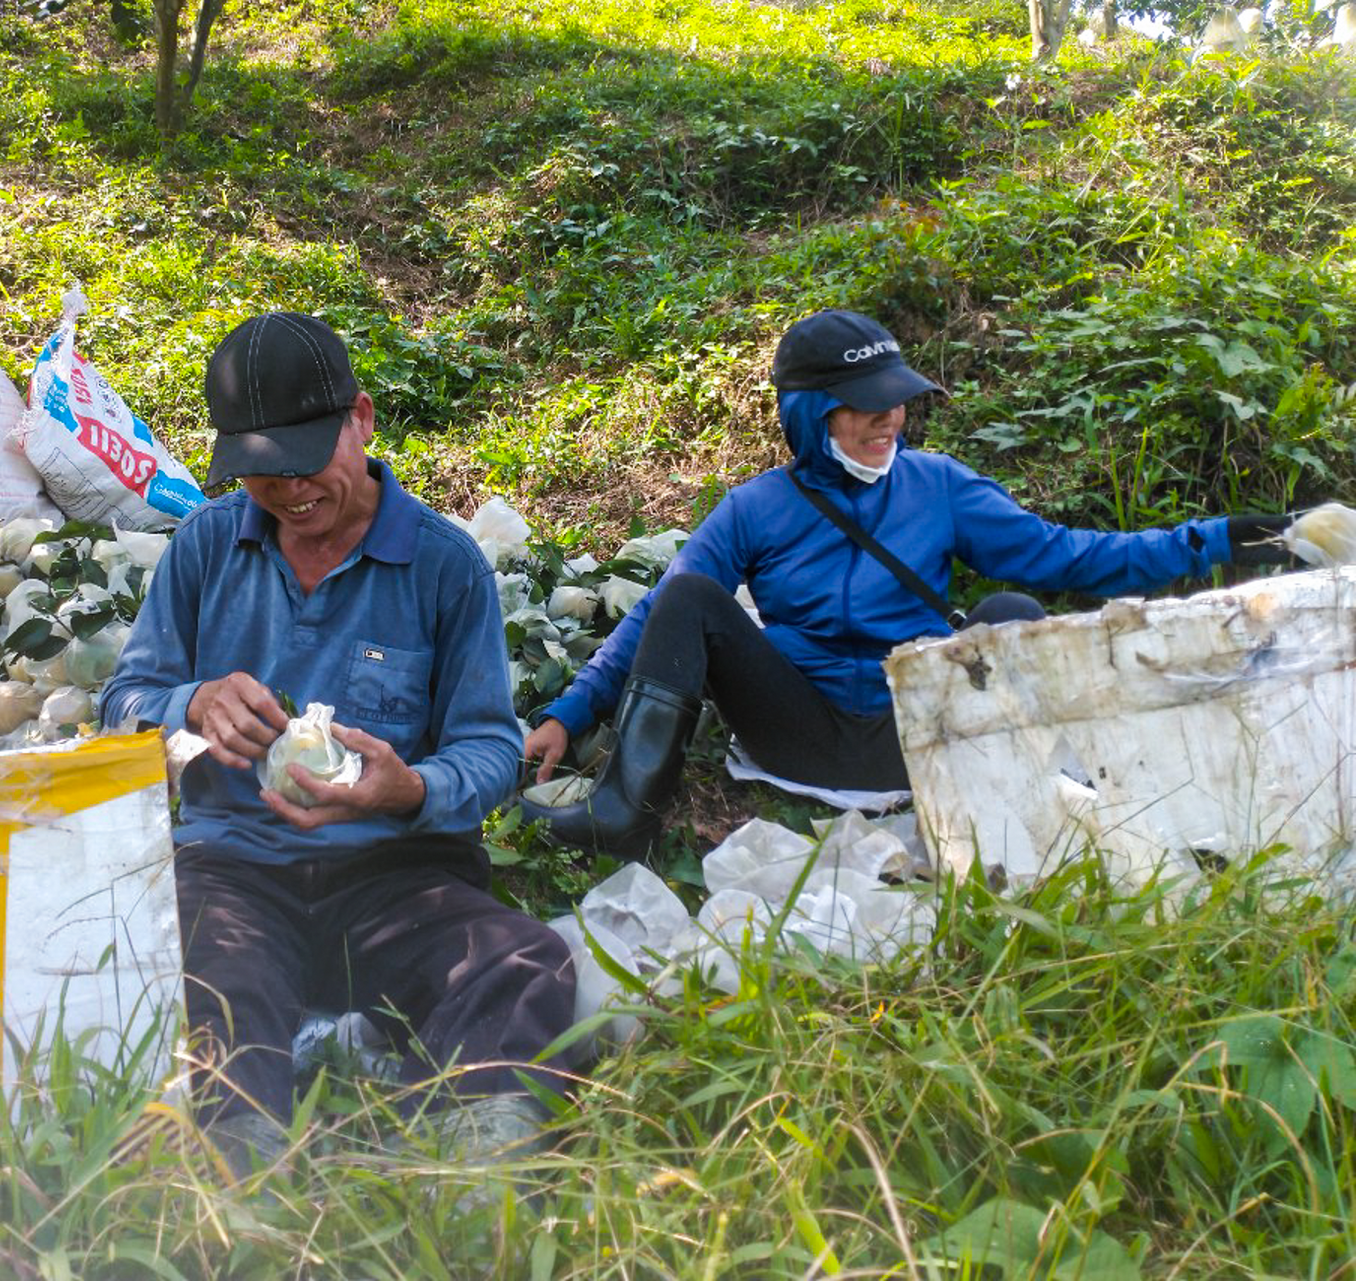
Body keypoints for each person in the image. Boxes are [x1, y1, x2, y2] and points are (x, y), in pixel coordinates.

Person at [521, 308, 1296, 857]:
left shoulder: (940, 487)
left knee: (1012, 611)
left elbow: (1076, 557)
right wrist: (569, 709)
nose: (890, 417)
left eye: (898, 399)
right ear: (810, 414)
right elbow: (661, 610)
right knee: (693, 595)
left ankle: (1032, 805)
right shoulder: (756, 508)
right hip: (800, 732)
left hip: (921, 735)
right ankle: (624, 812)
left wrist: (1228, 538)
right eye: (866, 405)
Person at [100, 311, 577, 1170]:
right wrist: (190, 704)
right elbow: (120, 703)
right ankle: (239, 1178)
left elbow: (488, 748)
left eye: (306, 460)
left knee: (522, 960)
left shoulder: (444, 565)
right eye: (261, 471)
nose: (288, 490)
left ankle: (475, 1169)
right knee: (210, 978)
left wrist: (410, 790)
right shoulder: (206, 548)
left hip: (394, 879)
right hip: (235, 867)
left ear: (360, 418)